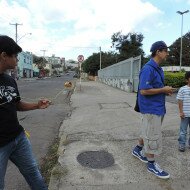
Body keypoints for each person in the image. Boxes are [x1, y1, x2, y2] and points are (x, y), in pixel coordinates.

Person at [0, 35, 50, 189]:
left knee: (33, 172)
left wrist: (37, 105)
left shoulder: (9, 80)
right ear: (3, 55)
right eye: (15, 56)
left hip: (18, 138)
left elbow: (17, 105)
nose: (17, 59)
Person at [132, 41, 174, 179]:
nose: (167, 53)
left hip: (157, 106)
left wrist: (164, 91)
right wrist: (163, 89)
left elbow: (154, 88)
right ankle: (151, 164)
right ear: (158, 52)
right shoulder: (148, 68)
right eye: (165, 51)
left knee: (147, 131)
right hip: (151, 108)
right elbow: (143, 90)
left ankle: (137, 149)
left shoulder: (158, 68)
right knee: (153, 135)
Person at [176, 71, 190, 152]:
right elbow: (180, 101)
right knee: (183, 131)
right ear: (187, 80)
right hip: (185, 114)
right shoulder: (183, 89)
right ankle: (182, 144)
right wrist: (181, 112)